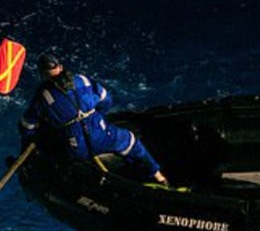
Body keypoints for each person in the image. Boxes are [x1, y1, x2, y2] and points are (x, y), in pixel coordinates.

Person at [19, 53, 167, 185]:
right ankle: (158, 177)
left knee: (53, 148)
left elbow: (27, 126)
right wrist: (96, 117)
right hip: (102, 136)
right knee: (131, 141)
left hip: (77, 149)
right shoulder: (82, 80)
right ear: (61, 67)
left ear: (42, 74)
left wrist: (31, 139)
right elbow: (106, 99)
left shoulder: (41, 97)